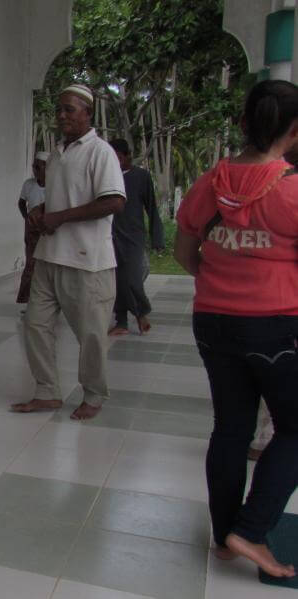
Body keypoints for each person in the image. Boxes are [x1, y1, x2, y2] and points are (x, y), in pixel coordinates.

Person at [174, 79, 298, 579]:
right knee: (294, 428)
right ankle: (249, 529)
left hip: (213, 322)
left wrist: (225, 285)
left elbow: (186, 252)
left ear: (244, 123)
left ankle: (225, 533)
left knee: (230, 427)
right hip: (276, 328)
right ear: (293, 131)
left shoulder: (211, 182)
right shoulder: (291, 189)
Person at [11, 84, 125, 421]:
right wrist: (43, 209)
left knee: (90, 335)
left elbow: (114, 201)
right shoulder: (58, 153)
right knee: (35, 324)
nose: (61, 115)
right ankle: (47, 392)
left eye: (69, 110)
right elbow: (66, 197)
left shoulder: (100, 152)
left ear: (88, 114)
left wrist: (58, 216)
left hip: (88, 261)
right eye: (58, 109)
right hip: (49, 256)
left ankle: (93, 395)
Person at [107, 139, 164, 335]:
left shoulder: (141, 176)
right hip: (110, 235)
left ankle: (141, 313)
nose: (114, 161)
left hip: (133, 236)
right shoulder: (106, 176)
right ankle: (121, 320)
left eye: (118, 157)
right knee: (117, 279)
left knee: (132, 278)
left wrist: (157, 238)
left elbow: (152, 209)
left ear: (127, 156)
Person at [16, 151, 49, 305]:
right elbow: (21, 203)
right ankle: (27, 301)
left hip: (49, 230)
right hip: (32, 230)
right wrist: (27, 219)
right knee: (31, 264)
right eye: (33, 167)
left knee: (48, 266)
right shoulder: (28, 184)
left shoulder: (54, 186)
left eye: (38, 167)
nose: (35, 170)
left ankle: (49, 302)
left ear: (46, 168)